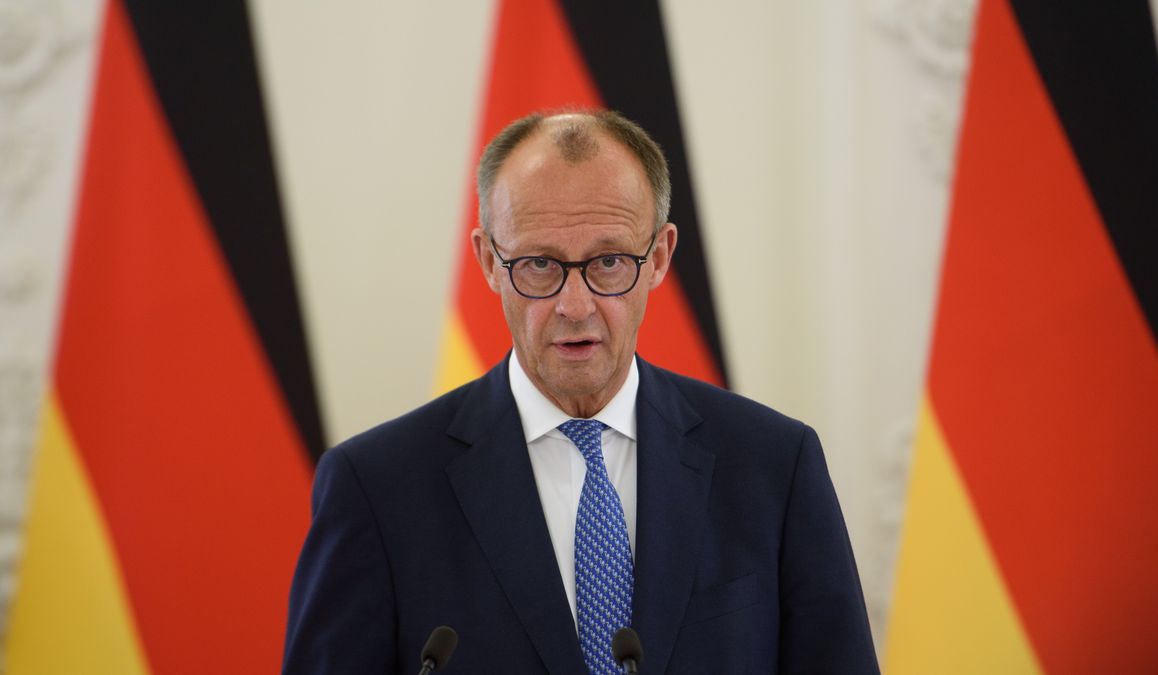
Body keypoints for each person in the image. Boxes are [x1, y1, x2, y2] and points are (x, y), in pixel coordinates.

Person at [283, 110, 878, 674]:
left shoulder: (774, 466)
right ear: (490, 261)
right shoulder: (377, 489)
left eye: (610, 262)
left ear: (660, 257)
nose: (574, 305)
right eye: (539, 265)